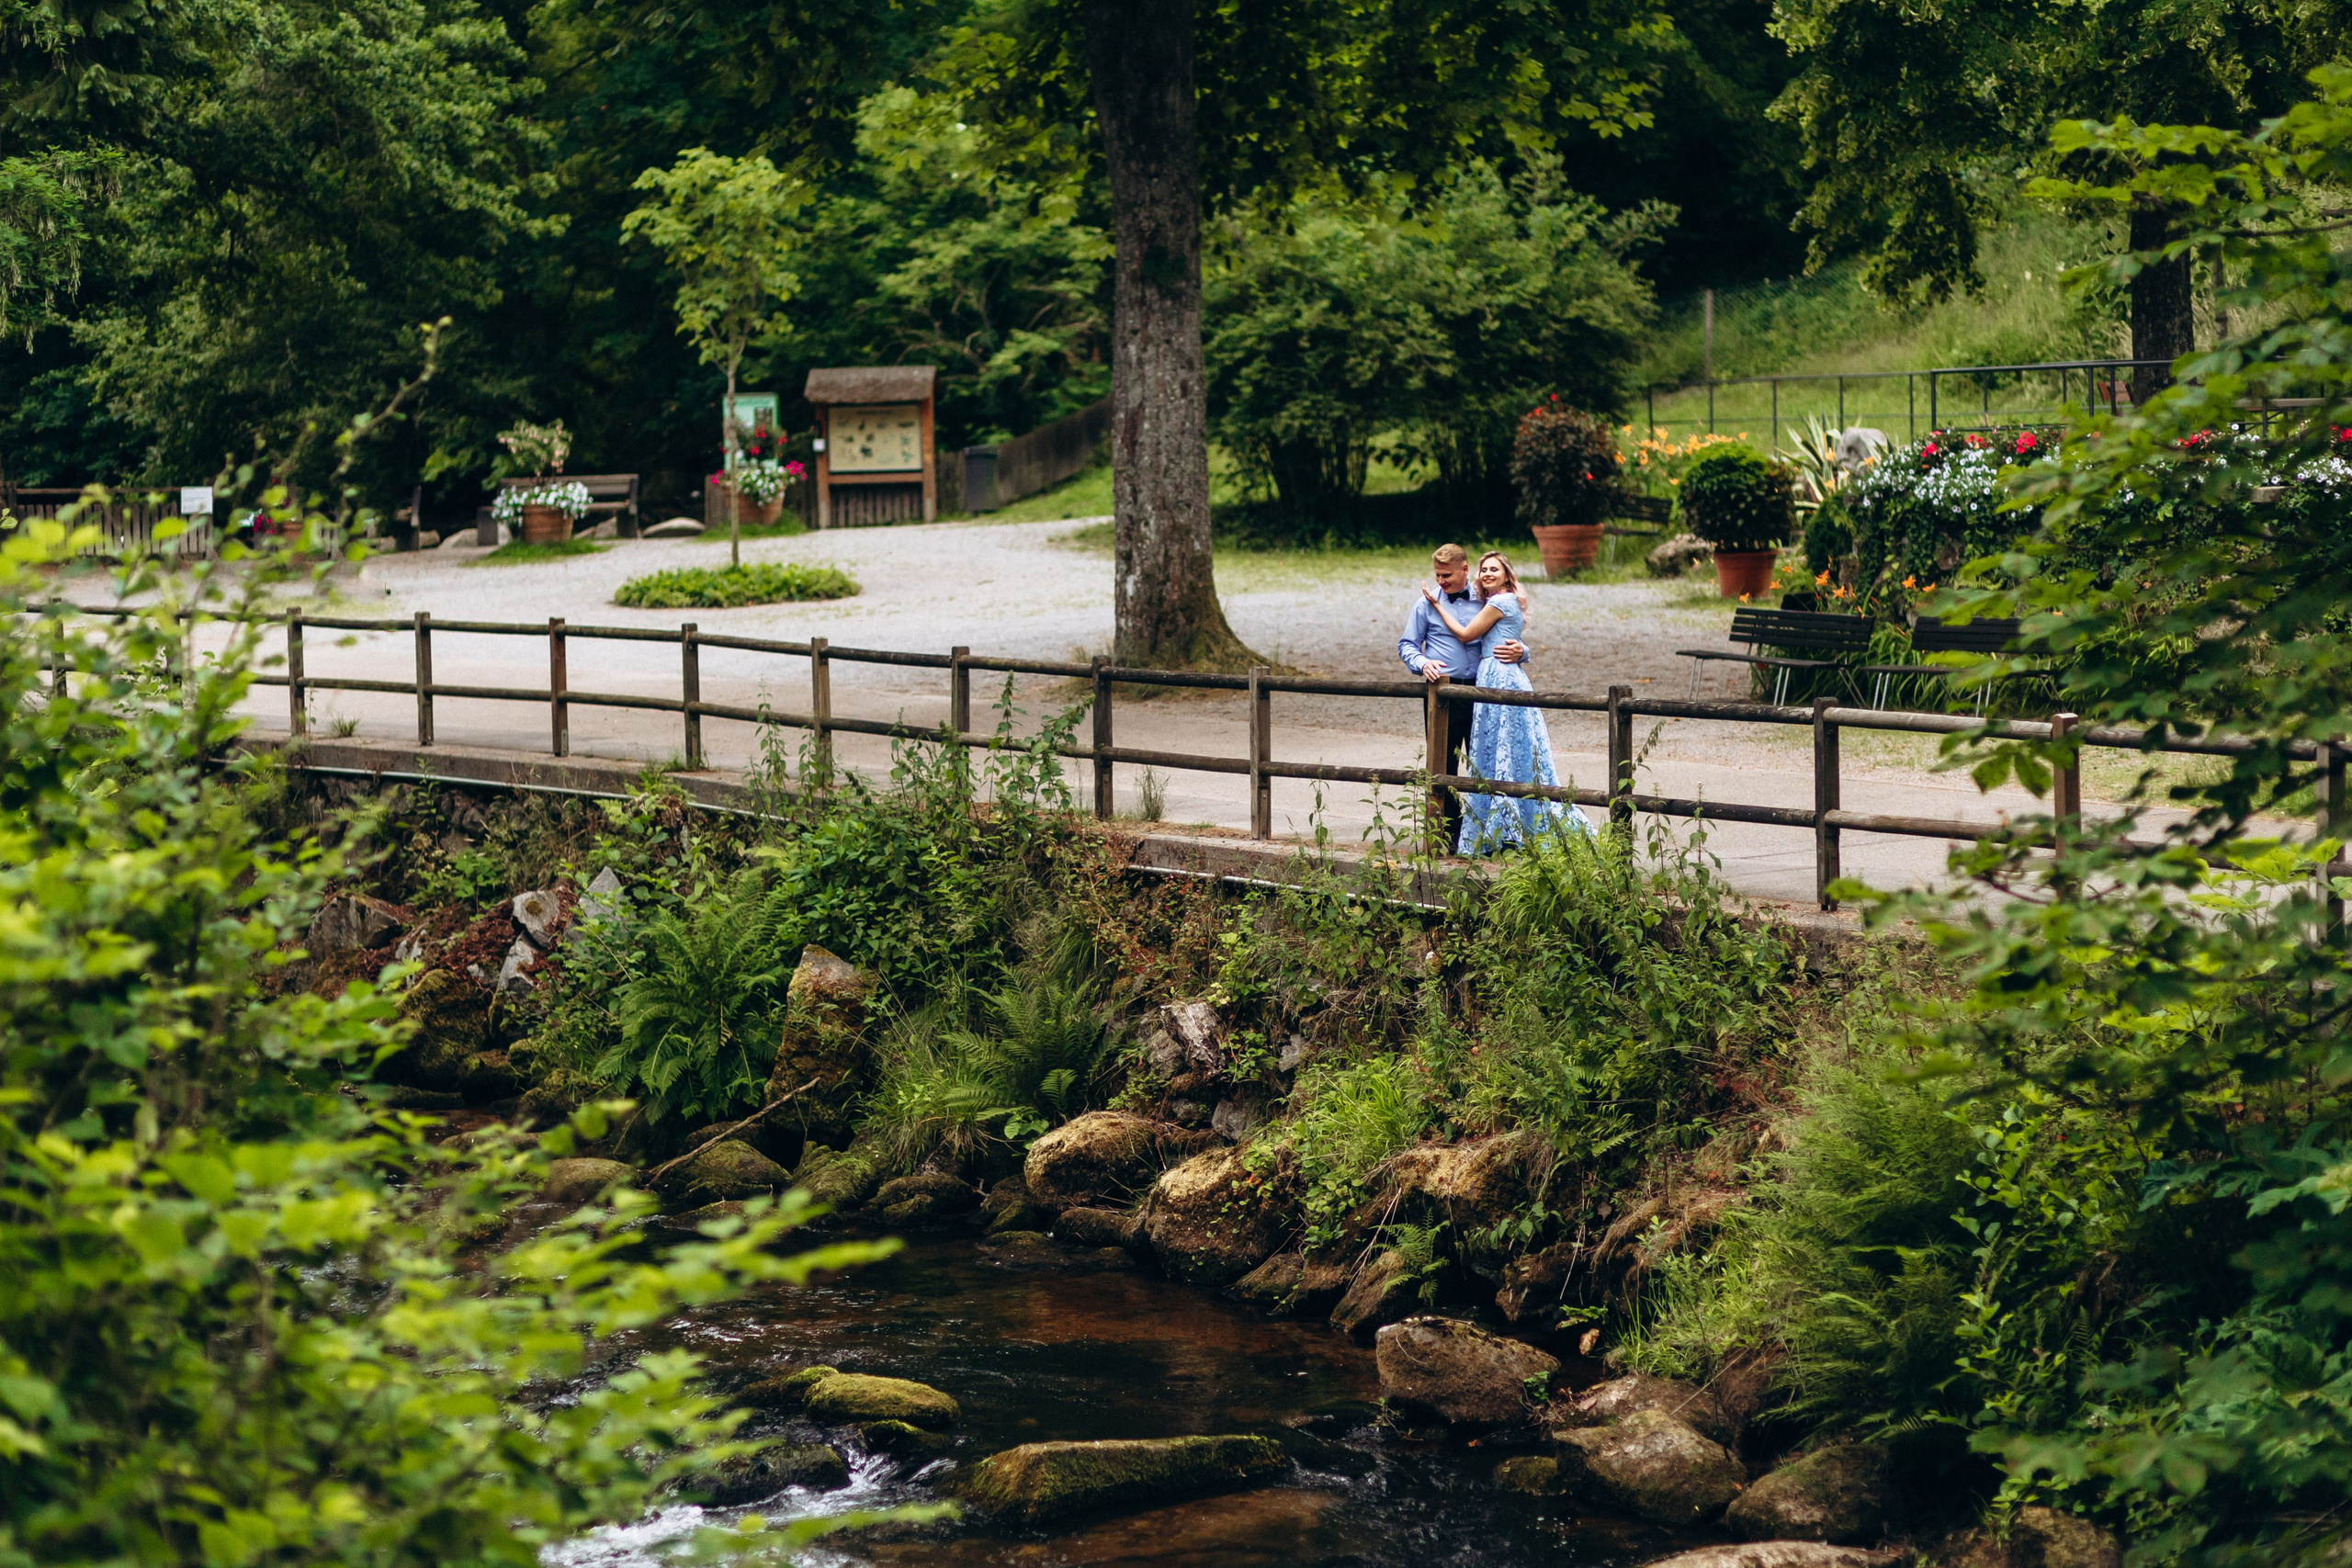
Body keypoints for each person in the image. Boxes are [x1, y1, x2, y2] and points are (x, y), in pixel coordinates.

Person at [1419, 550, 1591, 853]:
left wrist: (1436, 604)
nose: (1487, 574)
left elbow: (1464, 634)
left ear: (1506, 575)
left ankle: (1508, 823)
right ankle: (1500, 822)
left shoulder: (1499, 601)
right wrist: (1523, 650)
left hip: (1498, 676)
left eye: (1494, 570)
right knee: (1500, 748)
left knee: (1504, 746)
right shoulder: (1495, 601)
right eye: (1484, 570)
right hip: (1491, 675)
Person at [1398, 543, 1527, 843]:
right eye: (1438, 575)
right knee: (1443, 766)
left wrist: (1523, 651)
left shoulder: (1488, 600)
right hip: (1443, 693)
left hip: (1482, 692)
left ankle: (1494, 837)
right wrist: (1423, 662)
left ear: (1465, 570)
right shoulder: (1425, 604)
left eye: (1447, 576)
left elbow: (1509, 631)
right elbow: (1407, 645)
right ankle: (1448, 838)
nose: (1441, 582)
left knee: (1487, 762)